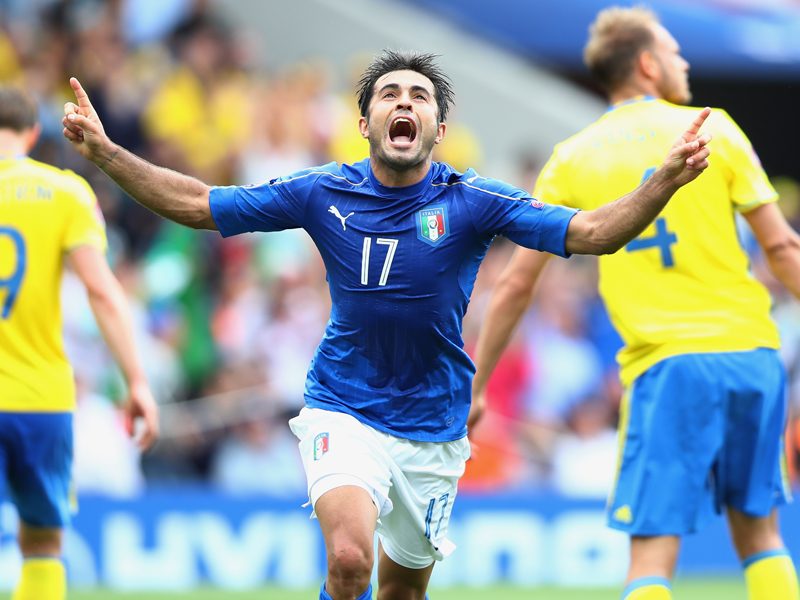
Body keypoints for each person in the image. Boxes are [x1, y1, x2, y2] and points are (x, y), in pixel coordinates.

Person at [63, 49, 710, 600]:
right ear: (365, 123)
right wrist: (108, 153)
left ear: (439, 127)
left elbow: (593, 233)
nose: (405, 102)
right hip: (343, 405)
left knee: (402, 590)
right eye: (390, 94)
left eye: (420, 96)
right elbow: (200, 205)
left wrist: (664, 183)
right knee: (350, 560)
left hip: (434, 424)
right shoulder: (321, 190)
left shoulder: (473, 199)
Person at [470, 7, 800, 600]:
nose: (684, 62)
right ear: (648, 63)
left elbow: (517, 283)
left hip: (668, 366)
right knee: (761, 535)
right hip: (751, 355)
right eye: (674, 51)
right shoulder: (714, 130)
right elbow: (781, 246)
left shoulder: (574, 157)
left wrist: (478, 385)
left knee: (652, 552)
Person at [0, 85, 159, 600]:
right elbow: (102, 292)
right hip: (40, 399)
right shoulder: (65, 192)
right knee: (43, 544)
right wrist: (136, 381)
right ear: (32, 133)